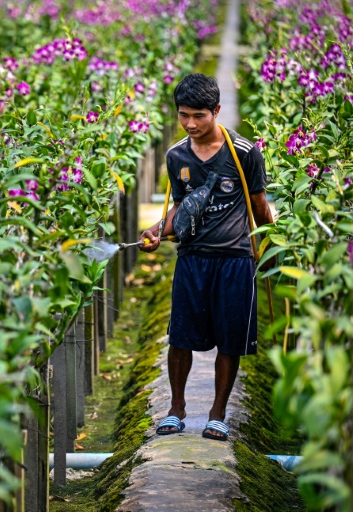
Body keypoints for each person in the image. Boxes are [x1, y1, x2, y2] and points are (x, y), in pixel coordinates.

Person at [138, 73, 274, 441]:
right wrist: (156, 231)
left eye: (199, 115)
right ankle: (176, 408)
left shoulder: (244, 152)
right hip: (192, 258)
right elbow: (180, 208)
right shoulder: (176, 155)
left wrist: (271, 249)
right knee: (179, 336)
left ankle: (218, 413)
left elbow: (259, 207)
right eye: (184, 115)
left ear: (216, 110)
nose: (191, 124)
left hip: (235, 259)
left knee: (230, 339)